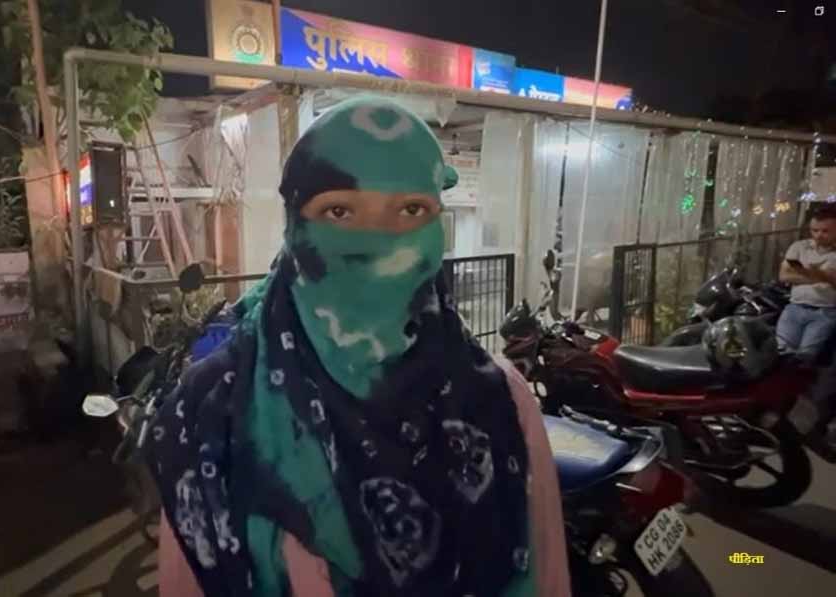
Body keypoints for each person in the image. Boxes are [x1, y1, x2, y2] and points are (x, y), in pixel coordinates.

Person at [146, 96, 570, 597]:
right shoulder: (214, 413)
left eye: (410, 209)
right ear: (294, 226)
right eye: (339, 210)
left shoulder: (503, 403)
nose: (377, 246)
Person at [776, 206, 836, 362]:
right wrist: (820, 276)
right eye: (814, 230)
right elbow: (784, 275)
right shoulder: (799, 247)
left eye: (825, 231)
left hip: (825, 311)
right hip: (795, 307)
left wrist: (803, 273)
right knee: (781, 351)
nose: (818, 235)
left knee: (805, 356)